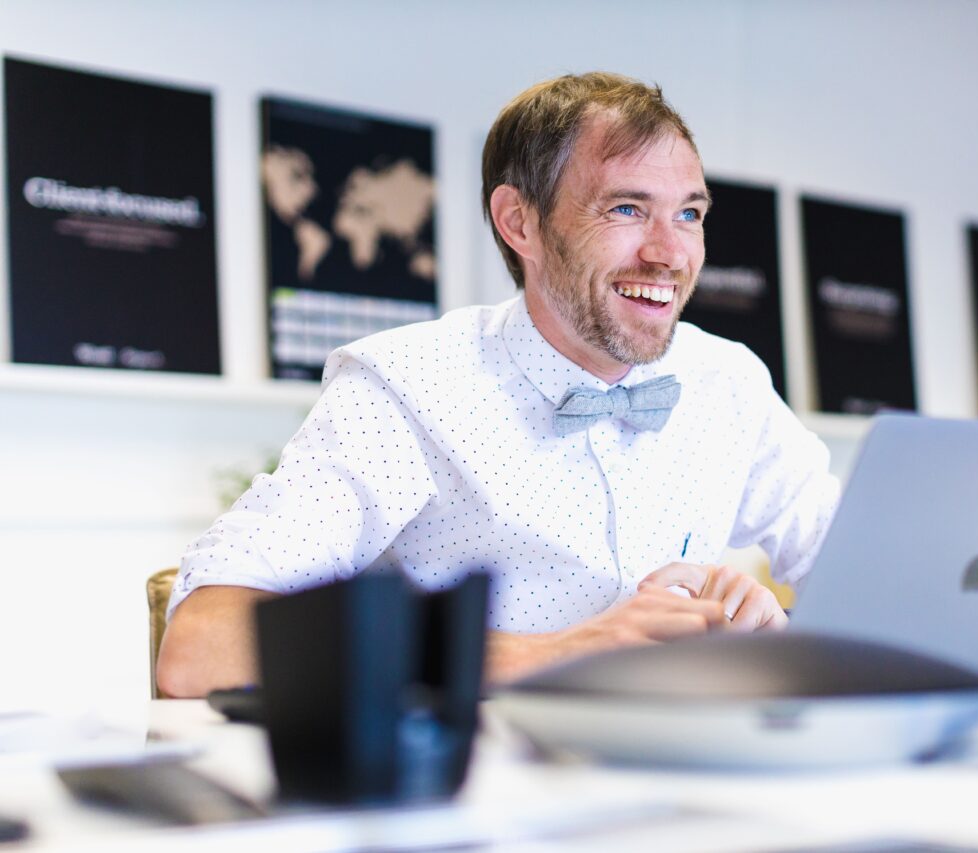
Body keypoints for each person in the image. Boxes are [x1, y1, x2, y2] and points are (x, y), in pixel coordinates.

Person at [156, 72, 839, 699]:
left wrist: (764, 631)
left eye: (688, 214)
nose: (669, 253)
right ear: (520, 222)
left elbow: (870, 580)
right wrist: (565, 651)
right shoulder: (405, 385)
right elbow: (200, 646)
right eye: (627, 210)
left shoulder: (730, 381)